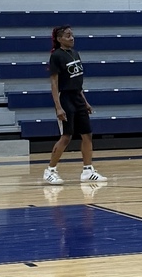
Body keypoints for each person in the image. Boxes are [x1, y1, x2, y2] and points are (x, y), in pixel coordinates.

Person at [44, 26, 107, 185]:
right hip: (65, 98)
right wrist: (58, 107)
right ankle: (50, 170)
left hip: (77, 97)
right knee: (66, 136)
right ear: (59, 39)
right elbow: (54, 83)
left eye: (72, 35)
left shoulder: (74, 53)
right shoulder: (56, 56)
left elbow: (77, 83)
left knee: (87, 134)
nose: (71, 38)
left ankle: (88, 171)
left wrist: (84, 102)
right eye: (67, 35)